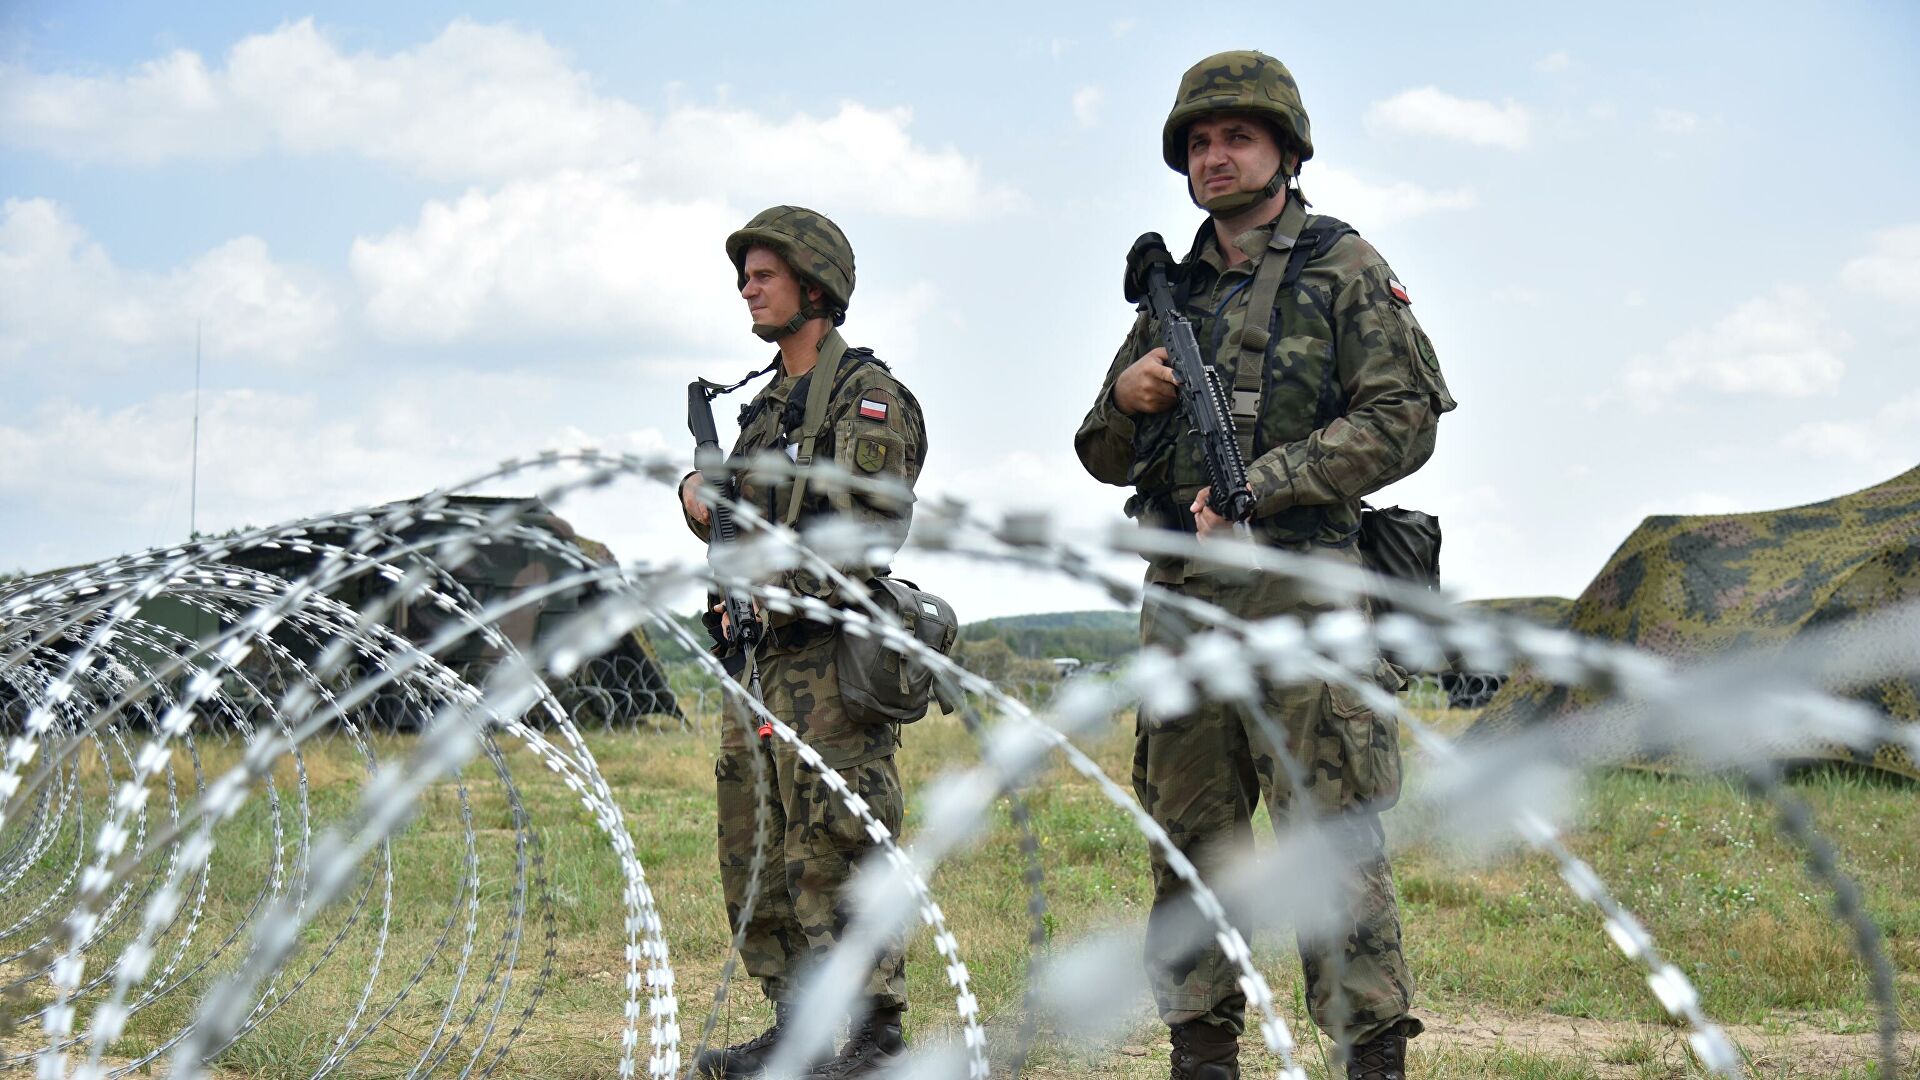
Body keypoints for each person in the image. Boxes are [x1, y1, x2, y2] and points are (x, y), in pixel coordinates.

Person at [1074, 50, 1456, 1080]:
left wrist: (1272, 481)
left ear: (1285, 150)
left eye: (1237, 136)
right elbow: (1099, 454)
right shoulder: (1170, 293)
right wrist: (1129, 399)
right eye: (1198, 142)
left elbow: (1404, 417)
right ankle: (1202, 1054)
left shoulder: (1343, 264)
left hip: (1308, 590)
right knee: (1192, 841)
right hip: (1187, 601)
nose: (1215, 156)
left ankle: (1369, 1057)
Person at [679, 206, 927, 1079]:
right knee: (756, 847)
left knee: (838, 845)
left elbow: (864, 536)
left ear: (815, 287)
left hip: (826, 663)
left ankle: (872, 1034)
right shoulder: (763, 412)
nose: (747, 286)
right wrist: (696, 497)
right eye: (743, 274)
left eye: (765, 273)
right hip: (755, 666)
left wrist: (772, 593)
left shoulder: (864, 399)